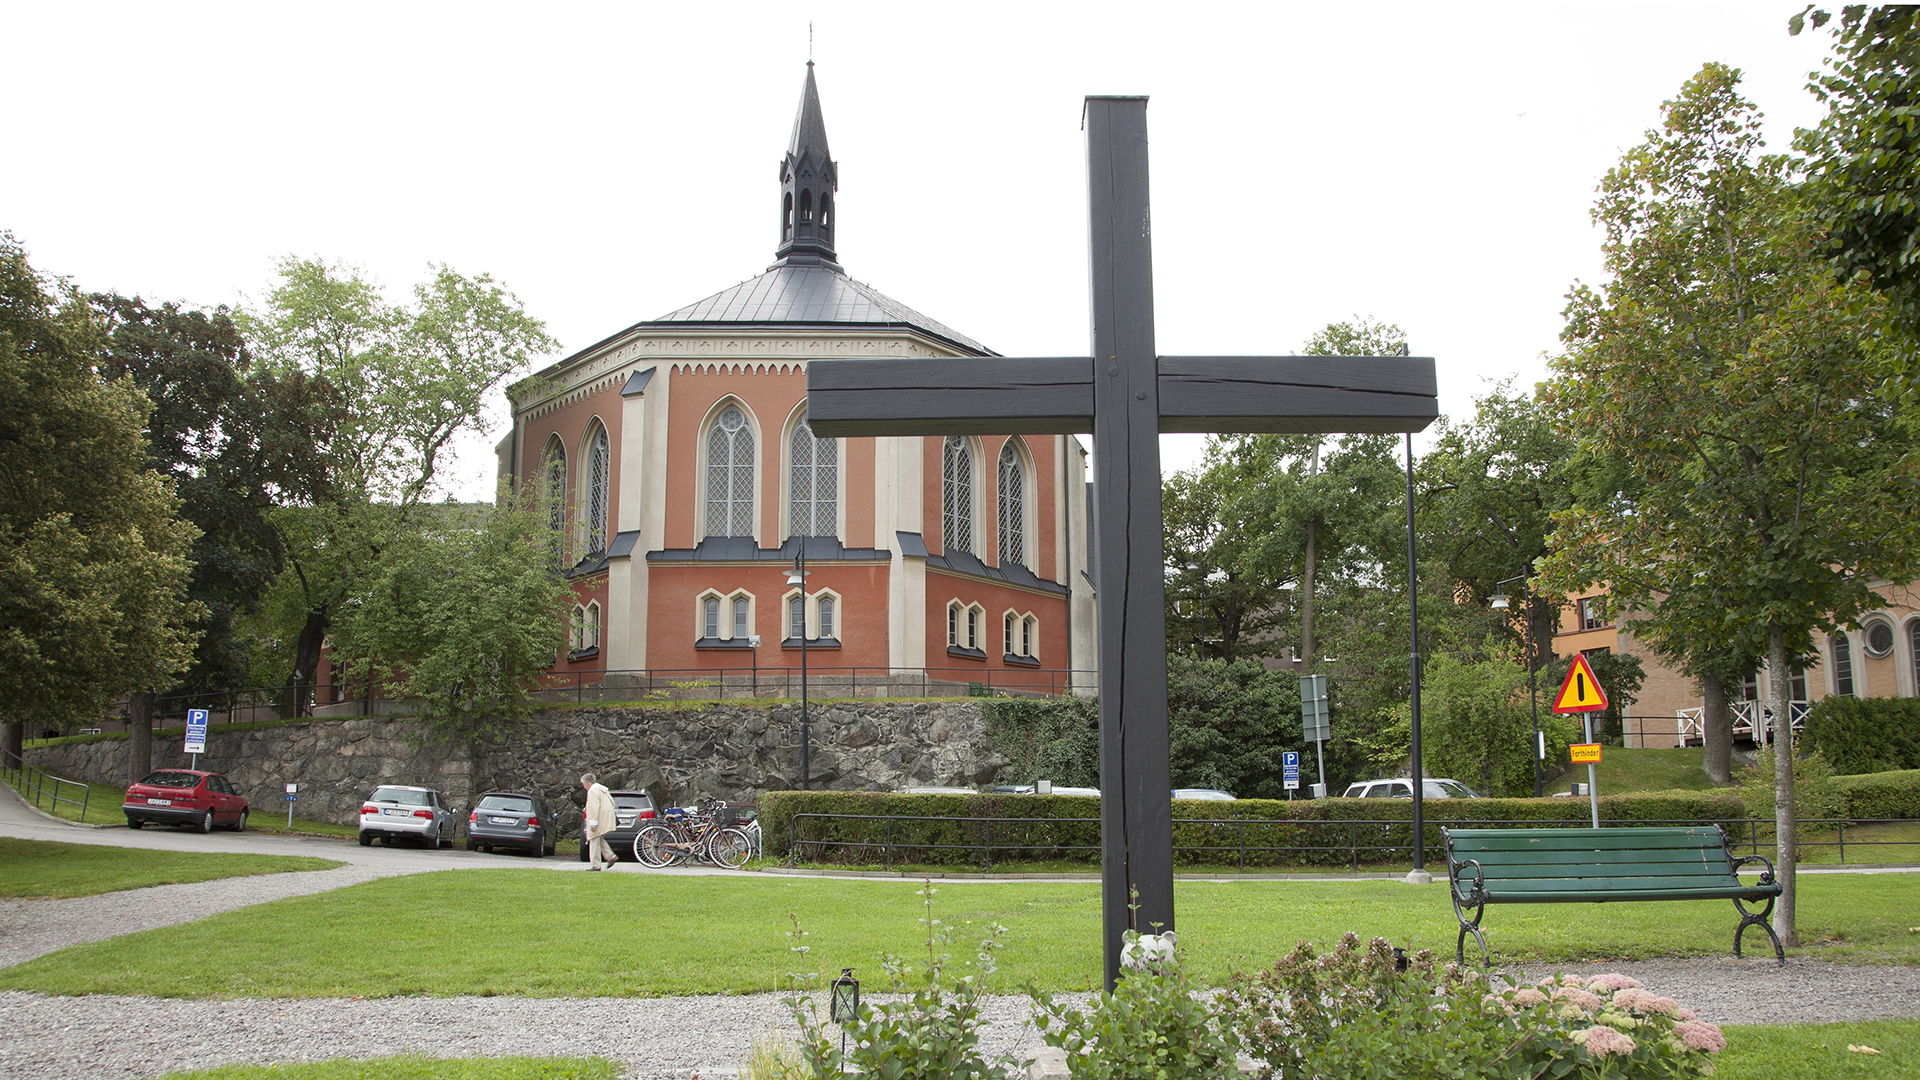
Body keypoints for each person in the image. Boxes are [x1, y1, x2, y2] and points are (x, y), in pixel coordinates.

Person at [581, 772, 617, 870]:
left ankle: (595, 865)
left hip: (598, 817)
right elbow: (612, 802)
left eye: (583, 784)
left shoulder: (593, 790)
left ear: (587, 782)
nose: (583, 786)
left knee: (594, 839)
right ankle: (610, 856)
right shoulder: (603, 789)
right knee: (598, 838)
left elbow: (593, 807)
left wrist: (593, 822)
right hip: (605, 816)